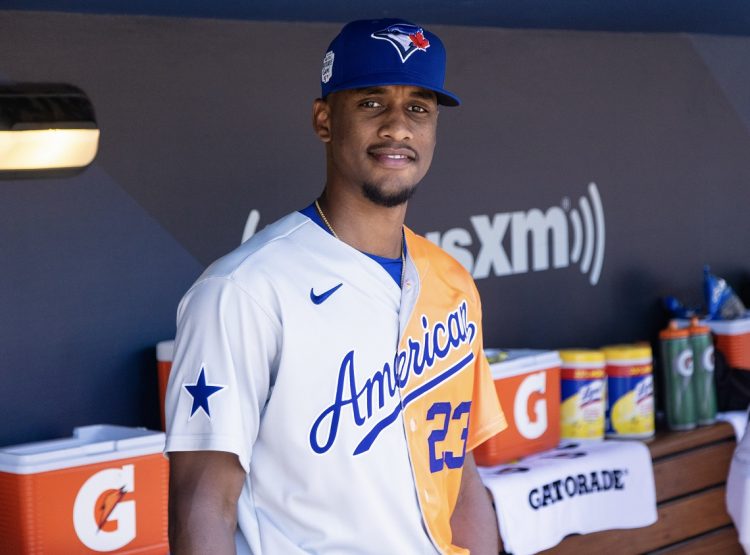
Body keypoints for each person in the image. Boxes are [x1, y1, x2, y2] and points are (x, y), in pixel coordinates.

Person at [165, 18, 507, 555]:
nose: (398, 127)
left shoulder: (451, 280)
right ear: (324, 119)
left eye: (419, 107)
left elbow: (458, 470)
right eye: (372, 103)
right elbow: (202, 503)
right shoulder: (244, 289)